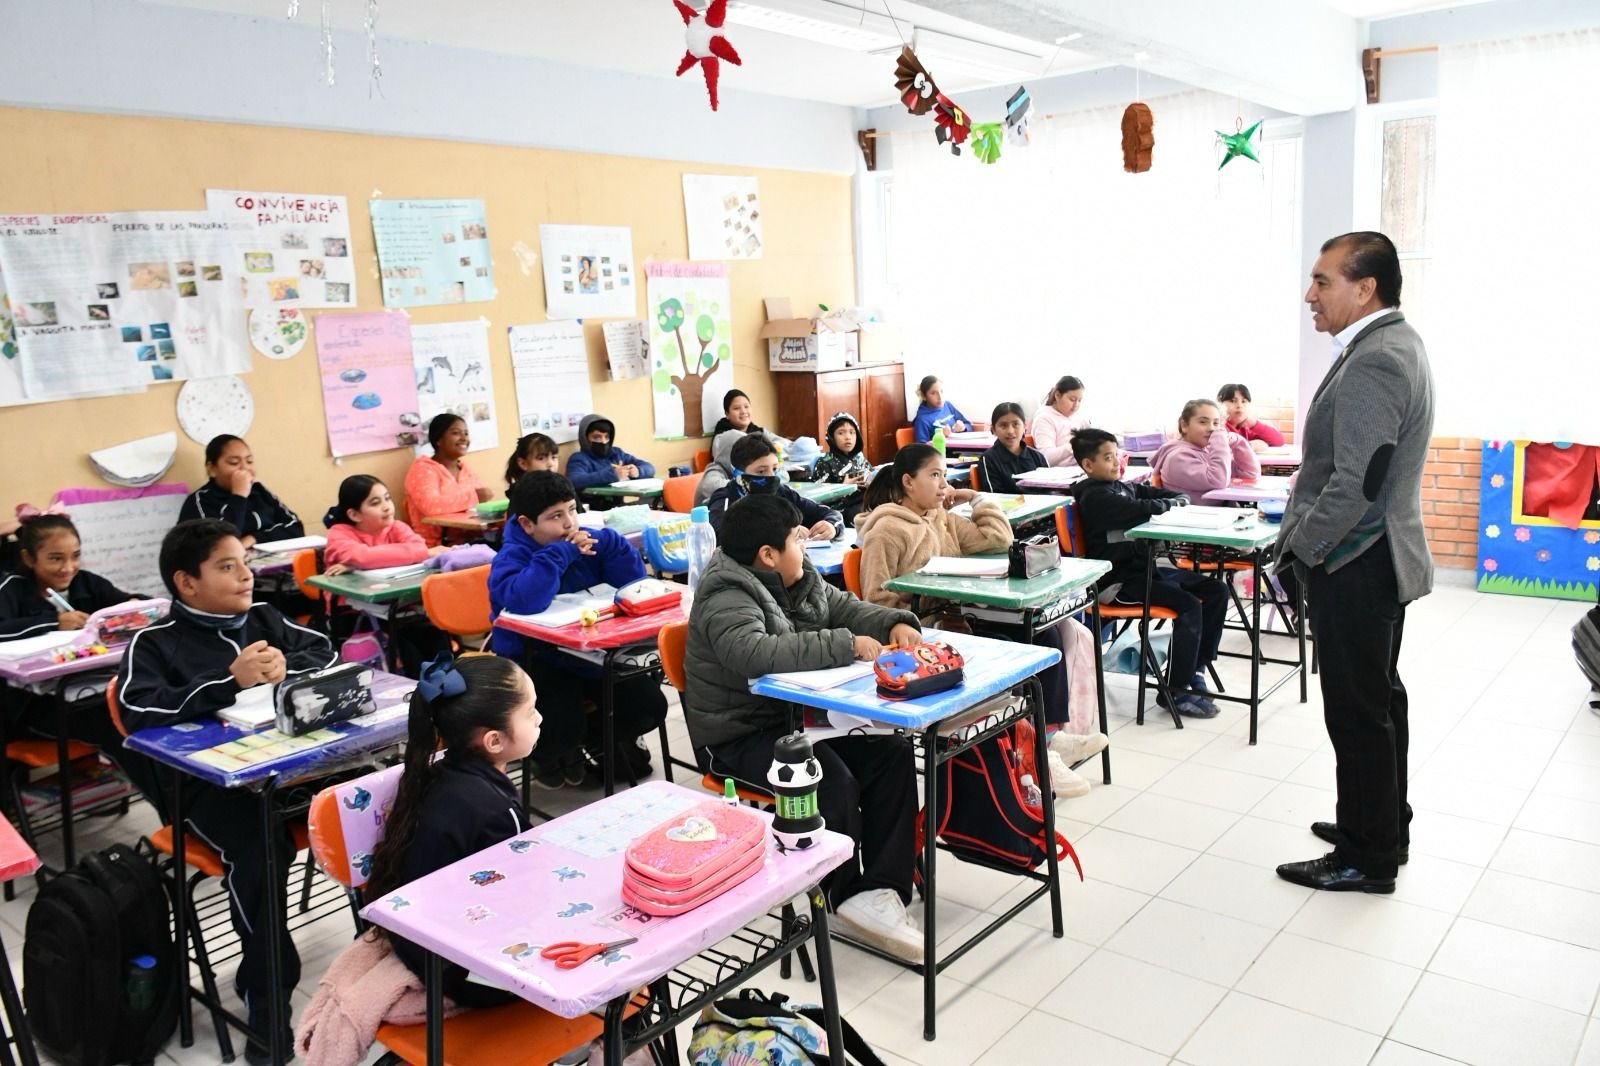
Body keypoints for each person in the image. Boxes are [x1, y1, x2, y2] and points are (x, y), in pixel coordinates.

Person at [116, 519, 338, 1061]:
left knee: (383, 798)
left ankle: (402, 957)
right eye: (226, 566)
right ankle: (268, 1008)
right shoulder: (156, 643)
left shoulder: (261, 617)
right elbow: (136, 711)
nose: (245, 575)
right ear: (186, 583)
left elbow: (325, 652)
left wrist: (288, 667)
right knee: (262, 849)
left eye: (245, 561)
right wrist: (227, 682)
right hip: (209, 791)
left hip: (291, 773)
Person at [685, 494, 926, 960]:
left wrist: (893, 622)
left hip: (797, 721)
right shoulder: (725, 594)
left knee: (891, 754)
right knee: (828, 781)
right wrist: (845, 645)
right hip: (739, 735)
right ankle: (840, 895)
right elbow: (754, 654)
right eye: (797, 539)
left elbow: (843, 607)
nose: (805, 545)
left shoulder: (796, 576)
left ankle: (880, 890)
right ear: (767, 555)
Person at [1274, 231, 1434, 895]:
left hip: (1356, 560)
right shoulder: (1393, 342)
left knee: (1358, 710)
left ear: (1364, 288)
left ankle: (1367, 859)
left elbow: (1356, 482)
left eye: (1323, 280)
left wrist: (1303, 551)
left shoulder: (1376, 359)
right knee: (1379, 700)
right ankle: (1377, 821)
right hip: (1373, 557)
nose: (1310, 294)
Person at [859, 445, 1104, 793]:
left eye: (945, 475)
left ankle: (1050, 740)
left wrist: (975, 498)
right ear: (908, 482)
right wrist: (918, 611)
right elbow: (875, 600)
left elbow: (997, 539)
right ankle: (1036, 757)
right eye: (934, 475)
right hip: (925, 634)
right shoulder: (885, 530)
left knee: (1044, 638)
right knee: (1010, 655)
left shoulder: (940, 518)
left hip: (962, 616)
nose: (943, 483)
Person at [362, 654, 539, 1006]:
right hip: (460, 971)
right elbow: (522, 902)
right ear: (494, 741)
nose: (540, 719)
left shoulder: (435, 772)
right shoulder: (496, 811)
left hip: (416, 948)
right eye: (530, 712)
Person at [487, 472, 666, 789]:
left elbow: (634, 586)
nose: (569, 523)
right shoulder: (510, 557)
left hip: (590, 653)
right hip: (536, 658)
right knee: (559, 727)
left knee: (648, 706)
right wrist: (560, 555)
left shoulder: (588, 541)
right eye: (556, 516)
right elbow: (526, 600)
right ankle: (553, 753)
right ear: (528, 524)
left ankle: (591, 745)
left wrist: (613, 546)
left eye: (572, 510)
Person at [0, 510, 165, 805]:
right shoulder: (11, 589)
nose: (68, 567)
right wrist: (53, 621)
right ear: (28, 559)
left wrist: (135, 605)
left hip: (86, 693)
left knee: (141, 715)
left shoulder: (86, 583)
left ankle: (176, 803)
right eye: (55, 558)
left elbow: (125, 604)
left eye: (76, 556)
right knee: (116, 731)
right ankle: (172, 809)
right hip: (29, 707)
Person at [1068, 428, 1227, 720]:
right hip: (1118, 584)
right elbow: (1144, 507)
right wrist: (1171, 504)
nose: (1116, 462)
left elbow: (1163, 495)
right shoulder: (1095, 497)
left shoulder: (1122, 486)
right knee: (1188, 605)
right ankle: (1176, 690)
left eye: (1117, 455)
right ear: (1088, 465)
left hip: (1145, 573)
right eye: (1107, 458)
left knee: (1217, 591)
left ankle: (1195, 669)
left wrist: (1176, 500)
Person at [321, 475, 452, 676]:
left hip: (399, 607)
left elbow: (418, 547)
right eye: (375, 502)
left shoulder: (396, 527)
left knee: (433, 633)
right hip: (354, 614)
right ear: (355, 514)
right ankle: (415, 690)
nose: (386, 506)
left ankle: (442, 686)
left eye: (387, 498)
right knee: (403, 643)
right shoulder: (339, 533)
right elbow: (361, 556)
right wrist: (364, 560)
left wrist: (361, 562)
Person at [706, 435, 842, 543]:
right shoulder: (726, 497)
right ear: (738, 473)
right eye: (761, 471)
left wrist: (831, 526)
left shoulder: (782, 492)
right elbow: (721, 537)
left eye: (775, 469)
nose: (771, 477)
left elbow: (831, 514)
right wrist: (784, 534)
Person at [179, 434, 304, 548]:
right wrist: (239, 496)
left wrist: (253, 538)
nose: (245, 468)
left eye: (249, 461)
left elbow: (295, 527)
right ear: (211, 469)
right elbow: (220, 545)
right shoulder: (200, 501)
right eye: (234, 462)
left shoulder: (259, 491)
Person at [404, 414, 492, 548]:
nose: (464, 438)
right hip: (435, 546)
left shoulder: (465, 469)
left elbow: (478, 506)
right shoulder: (423, 468)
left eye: (466, 433)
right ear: (438, 439)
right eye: (456, 433)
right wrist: (474, 496)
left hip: (469, 542)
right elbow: (431, 506)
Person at [1150, 398, 1262, 496]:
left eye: (1216, 423)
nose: (1211, 429)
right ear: (1184, 425)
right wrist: (1219, 443)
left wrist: (1237, 440)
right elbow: (1218, 481)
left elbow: (1250, 475)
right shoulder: (1177, 458)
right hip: (1194, 518)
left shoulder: (1207, 452)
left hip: (1222, 514)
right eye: (1203, 422)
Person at [563, 414, 655, 508]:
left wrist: (638, 471)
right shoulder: (579, 458)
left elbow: (650, 468)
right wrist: (612, 475)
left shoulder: (616, 453)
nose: (603, 441)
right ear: (585, 438)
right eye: (597, 437)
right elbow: (574, 480)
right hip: (594, 510)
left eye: (606, 437)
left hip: (618, 507)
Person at [812, 412, 872, 524]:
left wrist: (870, 480)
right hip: (841, 510)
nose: (848, 437)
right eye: (841, 433)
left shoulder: (859, 458)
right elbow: (818, 500)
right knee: (859, 514)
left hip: (863, 502)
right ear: (832, 437)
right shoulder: (825, 463)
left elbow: (873, 476)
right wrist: (843, 488)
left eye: (852, 432)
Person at [978, 402, 1048, 494]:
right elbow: (993, 495)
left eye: (1016, 424)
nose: (1010, 431)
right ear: (994, 429)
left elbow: (1050, 489)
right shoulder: (988, 459)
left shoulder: (1038, 457)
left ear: (1025, 426)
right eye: (1003, 425)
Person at [1030, 376, 1090, 467]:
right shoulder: (1044, 418)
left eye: (1079, 400)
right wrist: (1074, 445)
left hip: (1083, 468)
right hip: (1062, 474)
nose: (1076, 405)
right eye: (1072, 400)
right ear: (1057, 395)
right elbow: (1046, 458)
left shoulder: (1080, 418)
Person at [695, 427, 756, 508]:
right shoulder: (714, 469)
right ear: (729, 453)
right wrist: (748, 485)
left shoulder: (738, 471)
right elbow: (711, 486)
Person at [1217, 383, 1286, 451]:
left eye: (1244, 401)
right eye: (1232, 401)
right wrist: (1249, 446)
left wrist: (1255, 424)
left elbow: (1278, 441)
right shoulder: (1218, 426)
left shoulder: (1246, 428)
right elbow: (1220, 448)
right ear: (1220, 403)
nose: (1239, 405)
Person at [911, 376, 971, 443]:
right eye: (933, 393)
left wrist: (963, 428)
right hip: (943, 452)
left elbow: (968, 425)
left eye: (941, 391)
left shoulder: (947, 405)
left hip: (960, 449)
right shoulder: (922, 419)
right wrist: (939, 437)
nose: (940, 397)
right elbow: (922, 449)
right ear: (924, 396)